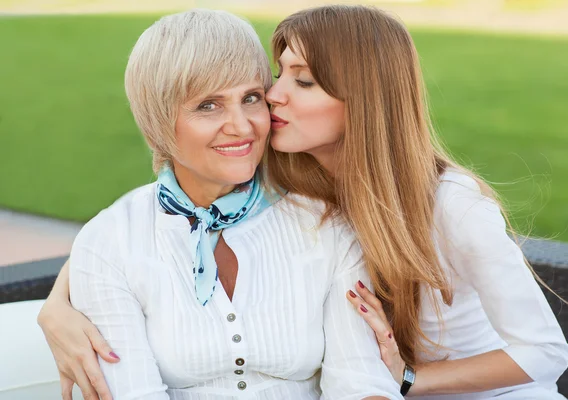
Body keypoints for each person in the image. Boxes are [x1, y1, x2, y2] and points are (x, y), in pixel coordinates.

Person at [39, 4, 568, 400]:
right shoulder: (292, 173)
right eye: (277, 76)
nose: (270, 99)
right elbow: (154, 225)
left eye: (303, 81)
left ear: (361, 100)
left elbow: (545, 352)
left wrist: (410, 379)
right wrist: (58, 303)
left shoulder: (447, 206)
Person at [37, 8, 401, 400]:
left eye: (251, 98)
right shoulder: (110, 240)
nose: (242, 126)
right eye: (208, 105)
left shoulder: (325, 224)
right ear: (158, 119)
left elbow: (360, 382)